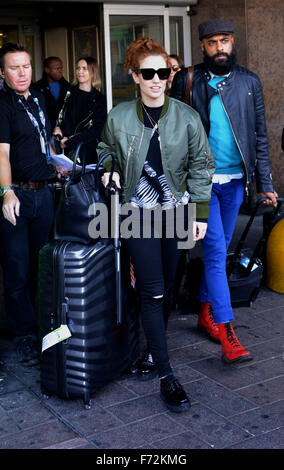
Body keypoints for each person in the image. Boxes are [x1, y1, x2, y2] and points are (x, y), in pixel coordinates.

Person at [97, 37, 215, 413]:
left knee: (167, 285)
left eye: (162, 72)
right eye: (147, 73)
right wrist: (108, 170)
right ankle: (166, 374)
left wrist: (198, 215)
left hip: (177, 211)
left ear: (170, 74)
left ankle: (147, 350)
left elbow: (201, 166)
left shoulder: (186, 117)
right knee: (152, 288)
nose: (156, 80)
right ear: (134, 76)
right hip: (136, 213)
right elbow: (105, 151)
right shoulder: (118, 117)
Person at [170, 18, 278, 363]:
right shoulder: (188, 80)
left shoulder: (249, 82)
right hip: (201, 184)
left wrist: (267, 186)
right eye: (213, 42)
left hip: (235, 183)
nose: (220, 48)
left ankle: (206, 313)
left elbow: (260, 137)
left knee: (222, 249)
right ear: (202, 46)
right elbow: (173, 135)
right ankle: (229, 333)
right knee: (217, 253)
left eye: (225, 41)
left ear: (233, 43)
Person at [0, 43, 56, 366]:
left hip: (43, 194)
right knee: (17, 269)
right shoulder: (3, 105)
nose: (22, 73)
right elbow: (3, 153)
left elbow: (40, 140)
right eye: (14, 68)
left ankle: (40, 326)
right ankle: (23, 336)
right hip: (17, 197)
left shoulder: (36, 98)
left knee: (41, 265)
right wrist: (6, 191)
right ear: (3, 73)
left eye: (26, 66)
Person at [53, 56, 107, 165]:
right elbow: (57, 115)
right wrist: (57, 127)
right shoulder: (67, 93)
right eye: (78, 68)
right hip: (63, 150)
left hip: (86, 153)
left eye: (84, 68)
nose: (80, 72)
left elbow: (96, 130)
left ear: (93, 72)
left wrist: (70, 142)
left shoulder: (98, 99)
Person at [33, 56, 70, 129]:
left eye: (61, 68)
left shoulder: (67, 86)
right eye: (57, 68)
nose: (60, 71)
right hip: (46, 129)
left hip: (65, 130)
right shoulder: (36, 88)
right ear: (47, 70)